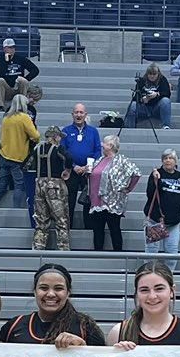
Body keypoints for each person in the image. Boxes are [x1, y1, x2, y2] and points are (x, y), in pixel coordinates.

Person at [85, 134, 140, 253]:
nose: (101, 145)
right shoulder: (99, 160)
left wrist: (128, 188)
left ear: (110, 146)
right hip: (96, 201)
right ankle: (98, 255)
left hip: (113, 202)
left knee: (114, 228)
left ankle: (118, 255)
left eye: (104, 143)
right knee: (97, 230)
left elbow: (136, 173)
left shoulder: (121, 160)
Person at [59, 103, 103, 231]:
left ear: (85, 115)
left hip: (88, 172)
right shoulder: (65, 131)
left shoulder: (93, 131)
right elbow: (62, 151)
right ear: (72, 115)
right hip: (71, 171)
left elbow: (97, 151)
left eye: (81, 112)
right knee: (69, 201)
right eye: (76, 112)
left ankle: (88, 228)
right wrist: (74, 166)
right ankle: (68, 229)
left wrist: (86, 167)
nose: (79, 115)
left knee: (88, 201)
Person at [0, 96, 38, 211]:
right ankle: (16, 210)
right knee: (19, 185)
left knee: (1, 185)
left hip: (3, 155)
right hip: (18, 158)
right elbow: (36, 136)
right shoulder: (24, 118)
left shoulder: (6, 117)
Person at [31, 127, 72, 252]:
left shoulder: (36, 148)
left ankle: (38, 247)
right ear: (56, 137)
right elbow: (69, 158)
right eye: (59, 137)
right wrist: (67, 170)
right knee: (61, 218)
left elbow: (26, 164)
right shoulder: (58, 148)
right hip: (54, 185)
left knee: (41, 220)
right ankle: (63, 248)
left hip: (39, 185)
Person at [0, 37, 41, 111]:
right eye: (9, 47)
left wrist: (26, 78)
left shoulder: (21, 59)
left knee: (23, 80)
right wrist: (7, 61)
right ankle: (1, 106)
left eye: (13, 47)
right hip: (7, 89)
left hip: (19, 87)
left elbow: (35, 70)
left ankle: (22, 105)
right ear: (4, 49)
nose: (12, 49)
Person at [126, 63, 173, 130]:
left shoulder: (163, 80)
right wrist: (142, 99)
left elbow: (167, 93)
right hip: (144, 108)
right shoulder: (141, 81)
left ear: (158, 74)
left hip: (157, 108)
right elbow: (135, 97)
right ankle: (130, 128)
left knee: (166, 101)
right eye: (150, 74)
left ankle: (166, 125)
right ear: (147, 74)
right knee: (132, 105)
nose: (152, 76)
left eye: (154, 74)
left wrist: (157, 94)